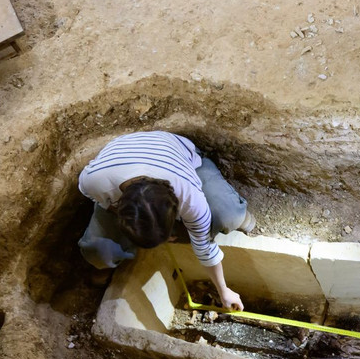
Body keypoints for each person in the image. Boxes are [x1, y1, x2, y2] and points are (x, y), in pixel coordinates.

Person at [78, 131, 255, 311]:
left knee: (227, 215)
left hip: (186, 158)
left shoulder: (188, 195)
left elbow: (205, 247)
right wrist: (112, 211)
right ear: (120, 207)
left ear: (175, 206)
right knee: (97, 250)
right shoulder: (94, 181)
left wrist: (223, 290)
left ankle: (240, 212)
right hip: (121, 158)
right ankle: (108, 263)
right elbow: (90, 195)